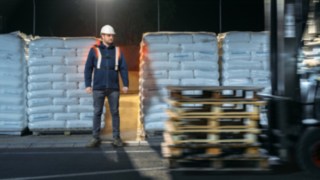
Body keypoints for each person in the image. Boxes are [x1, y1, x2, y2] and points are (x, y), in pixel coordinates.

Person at [84, 24, 129, 148]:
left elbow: (123, 68)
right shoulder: (94, 50)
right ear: (102, 36)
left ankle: (116, 137)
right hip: (98, 87)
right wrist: (88, 84)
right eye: (109, 35)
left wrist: (125, 83)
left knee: (115, 112)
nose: (111, 37)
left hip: (113, 88)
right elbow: (88, 68)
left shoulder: (117, 50)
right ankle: (95, 138)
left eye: (112, 35)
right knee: (97, 112)